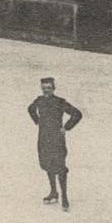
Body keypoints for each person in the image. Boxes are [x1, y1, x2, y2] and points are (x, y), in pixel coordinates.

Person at [27, 77, 83, 211]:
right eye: (44, 88)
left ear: (54, 88)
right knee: (47, 164)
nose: (46, 90)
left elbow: (77, 114)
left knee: (60, 167)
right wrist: (37, 121)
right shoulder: (39, 100)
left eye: (49, 88)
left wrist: (66, 127)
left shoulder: (59, 102)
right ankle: (54, 192)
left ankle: (64, 197)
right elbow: (30, 109)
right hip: (43, 138)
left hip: (57, 139)